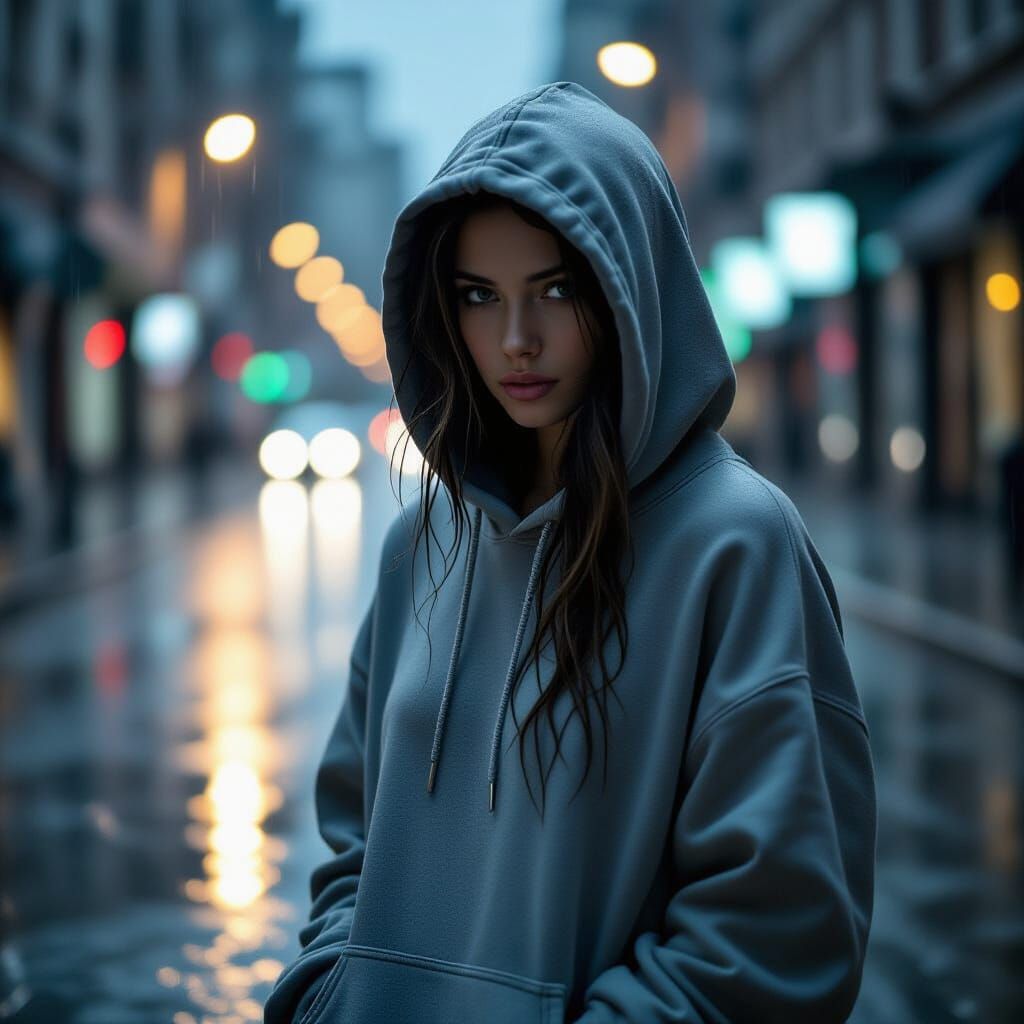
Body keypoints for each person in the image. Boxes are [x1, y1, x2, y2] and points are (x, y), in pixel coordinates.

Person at [263, 81, 876, 1024]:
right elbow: (352, 838)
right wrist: (327, 998)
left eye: (556, 289)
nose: (516, 340)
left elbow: (774, 930)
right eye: (479, 296)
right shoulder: (419, 544)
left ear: (630, 288)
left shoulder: (737, 543)